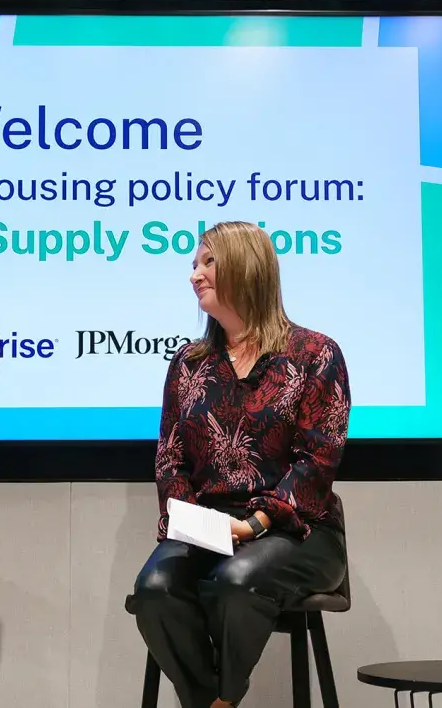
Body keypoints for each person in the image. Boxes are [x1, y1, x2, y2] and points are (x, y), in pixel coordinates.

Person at [129, 221, 351, 708]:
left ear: (246, 267)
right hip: (209, 531)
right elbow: (170, 460)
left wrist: (253, 524)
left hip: (296, 532)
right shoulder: (190, 363)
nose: (195, 275)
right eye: (193, 264)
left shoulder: (315, 354)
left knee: (236, 582)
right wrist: (195, 522)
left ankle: (223, 701)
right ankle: (209, 700)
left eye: (208, 262)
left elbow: (317, 461)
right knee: (154, 591)